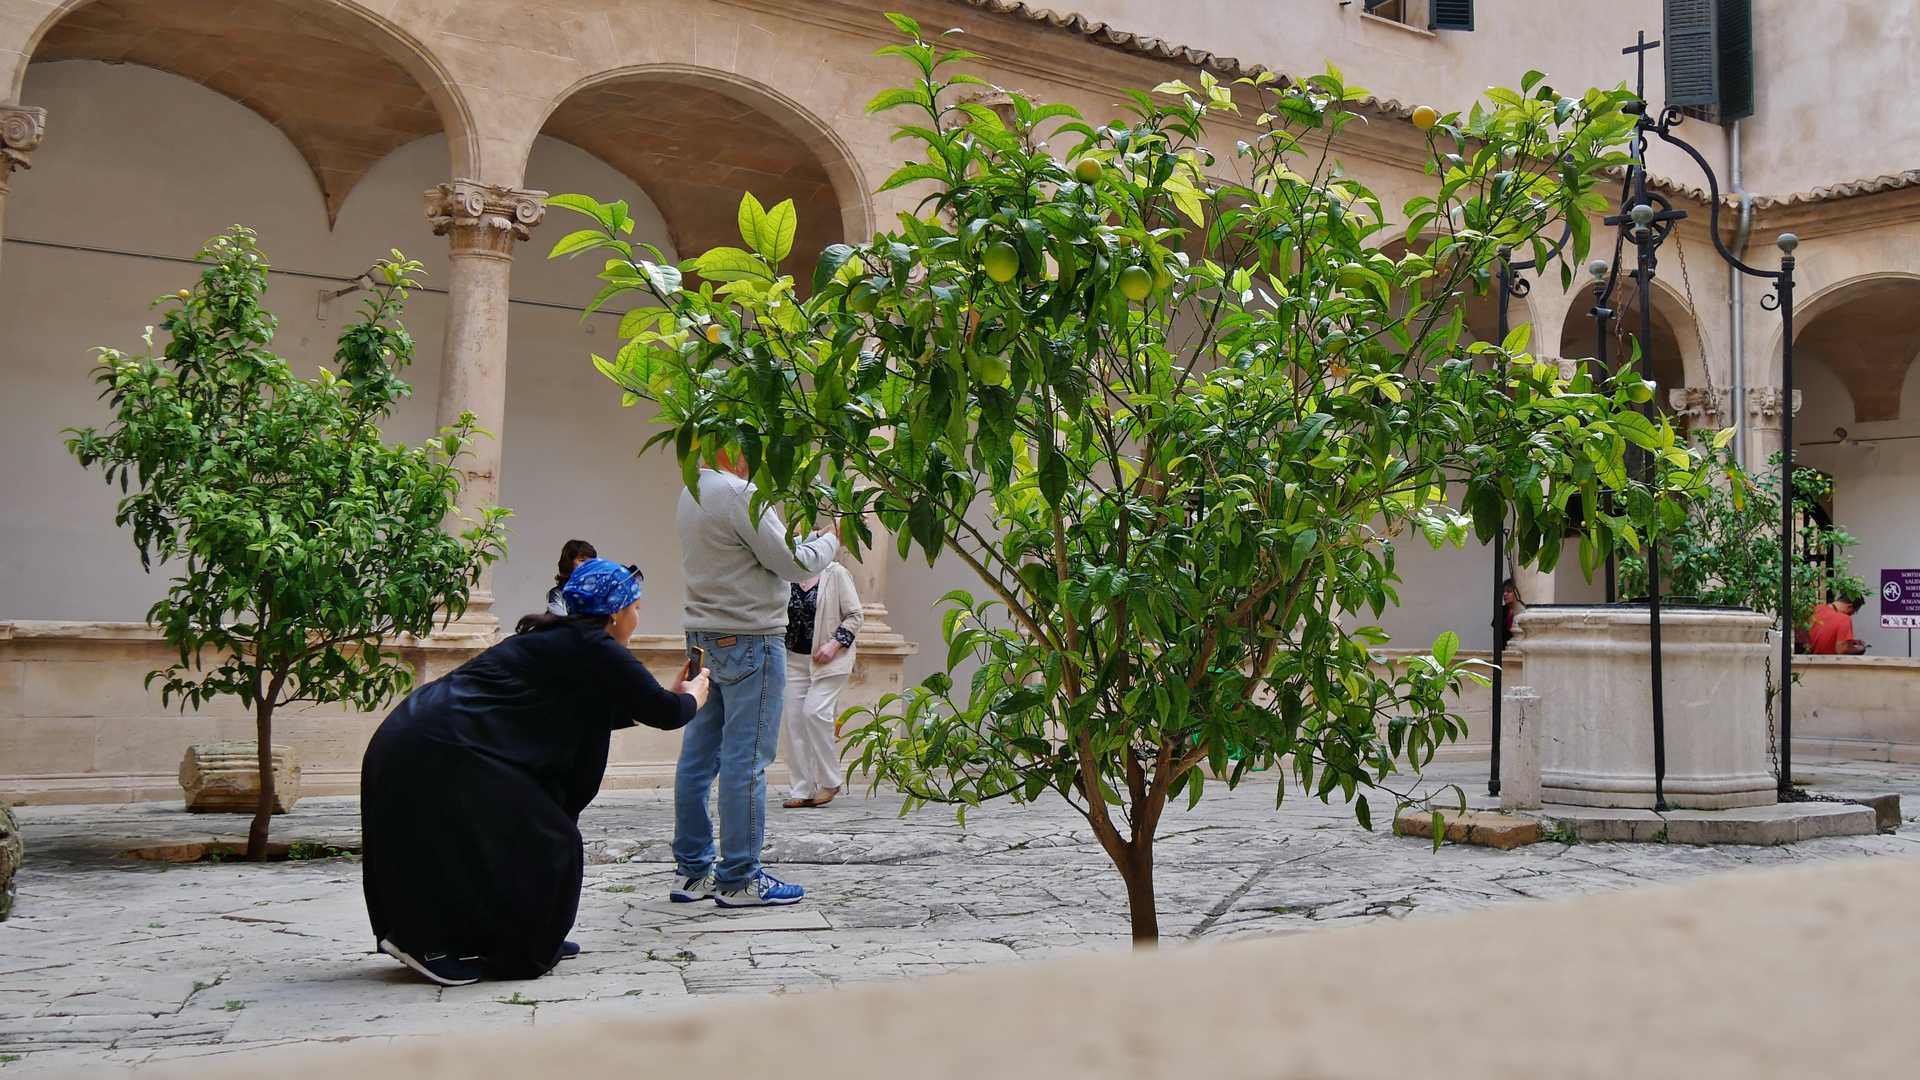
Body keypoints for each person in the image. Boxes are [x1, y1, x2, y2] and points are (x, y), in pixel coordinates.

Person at [362, 559, 710, 986]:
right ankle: (425, 941)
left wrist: (670, 698)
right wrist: (694, 695)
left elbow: (589, 704)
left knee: (515, 844)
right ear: (617, 613)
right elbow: (668, 713)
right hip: (441, 750)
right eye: (636, 607)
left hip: (429, 740)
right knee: (544, 842)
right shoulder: (594, 648)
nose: (639, 617)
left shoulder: (561, 638)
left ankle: (522, 938)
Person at [672, 447, 840, 908]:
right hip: (750, 638)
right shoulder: (740, 493)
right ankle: (741, 876)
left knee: (698, 757)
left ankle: (693, 871)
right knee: (747, 759)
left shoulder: (692, 488)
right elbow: (794, 564)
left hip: (702, 636)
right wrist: (830, 540)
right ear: (736, 449)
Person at [782, 560, 864, 808]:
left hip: (830, 659)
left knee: (815, 712)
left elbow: (855, 615)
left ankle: (830, 779)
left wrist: (833, 645)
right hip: (793, 660)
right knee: (795, 723)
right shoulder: (786, 574)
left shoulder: (835, 573)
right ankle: (802, 790)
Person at [546, 539, 598, 615]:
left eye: (591, 562)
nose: (588, 565)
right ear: (569, 563)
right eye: (582, 560)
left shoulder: (599, 591)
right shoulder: (558, 593)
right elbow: (560, 621)